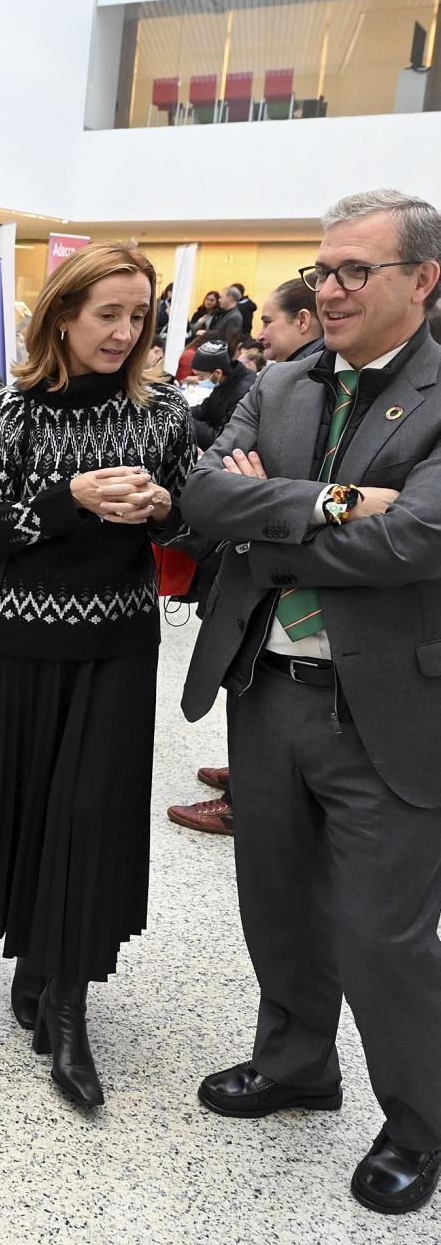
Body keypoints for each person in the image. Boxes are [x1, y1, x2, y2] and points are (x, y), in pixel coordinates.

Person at [180, 189, 441, 1216]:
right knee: (276, 900)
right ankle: (293, 1062)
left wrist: (268, 519)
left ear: (419, 280)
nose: (324, 289)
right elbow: (203, 495)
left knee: (382, 933)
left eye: (350, 272)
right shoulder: (281, 381)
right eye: (320, 269)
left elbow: (418, 539)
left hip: (386, 704)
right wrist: (332, 503)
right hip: (267, 688)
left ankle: (417, 1118)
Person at [0, 243, 193, 1109]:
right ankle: (34, 956)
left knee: (90, 818)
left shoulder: (163, 414)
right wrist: (73, 500)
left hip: (121, 645)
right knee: (31, 807)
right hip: (24, 645)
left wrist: (168, 509)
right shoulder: (11, 411)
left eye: (139, 318)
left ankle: (67, 1003)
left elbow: (193, 522)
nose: (125, 333)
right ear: (63, 315)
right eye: (109, 316)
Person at [168, 277, 324, 836]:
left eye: (270, 323)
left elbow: (401, 529)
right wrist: (305, 502)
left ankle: (245, 792)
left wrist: (266, 500)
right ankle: (246, 779)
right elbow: (208, 491)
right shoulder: (274, 383)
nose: (260, 335)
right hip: (249, 595)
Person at [189, 337, 255, 448]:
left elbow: (221, 439)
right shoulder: (225, 380)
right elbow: (206, 408)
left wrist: (188, 422)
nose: (198, 380)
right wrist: (181, 412)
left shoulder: (243, 393)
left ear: (217, 373)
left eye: (201, 375)